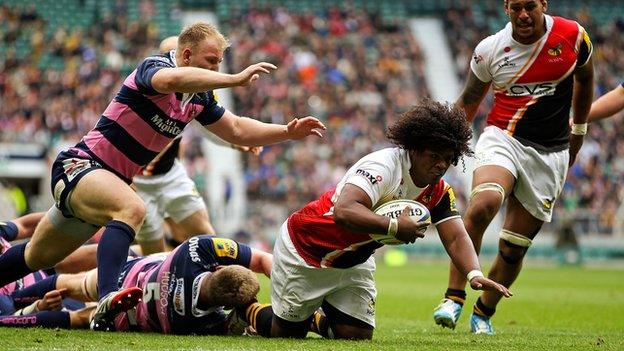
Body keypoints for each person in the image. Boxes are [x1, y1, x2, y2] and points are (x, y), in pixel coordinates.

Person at [0, 22, 326, 331]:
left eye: (219, 63)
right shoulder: (153, 67)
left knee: (36, 256)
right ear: (186, 56)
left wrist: (286, 131)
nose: (215, 69)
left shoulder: (198, 100)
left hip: (104, 180)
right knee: (133, 209)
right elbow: (169, 82)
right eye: (210, 61)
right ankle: (107, 297)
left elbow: (238, 129)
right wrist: (234, 79)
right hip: (81, 166)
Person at [234, 100, 512, 340]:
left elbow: (455, 234)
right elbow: (344, 211)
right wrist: (393, 227)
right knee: (286, 335)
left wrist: (474, 274)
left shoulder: (438, 191)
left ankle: (315, 318)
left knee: (356, 336)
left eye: (448, 159)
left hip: (354, 260)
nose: (441, 165)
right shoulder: (383, 167)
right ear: (413, 149)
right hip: (307, 250)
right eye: (434, 156)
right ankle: (244, 309)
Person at [433, 0, 594, 335]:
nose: (523, 15)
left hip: (551, 153)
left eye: (530, 7)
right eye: (516, 7)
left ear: (543, 5)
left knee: (513, 248)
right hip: (502, 138)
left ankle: (483, 313)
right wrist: (445, 150)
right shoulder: (490, 50)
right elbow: (468, 101)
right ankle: (453, 297)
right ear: (506, 7)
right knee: (482, 206)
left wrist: (578, 129)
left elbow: (585, 76)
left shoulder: (573, 36)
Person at [2, 235, 272, 334]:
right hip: (128, 319)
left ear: (221, 267)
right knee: (77, 319)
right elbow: (232, 326)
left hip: (127, 276)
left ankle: (17, 302)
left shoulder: (195, 249)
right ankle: (13, 318)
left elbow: (259, 258)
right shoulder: (198, 324)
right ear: (223, 304)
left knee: (69, 284)